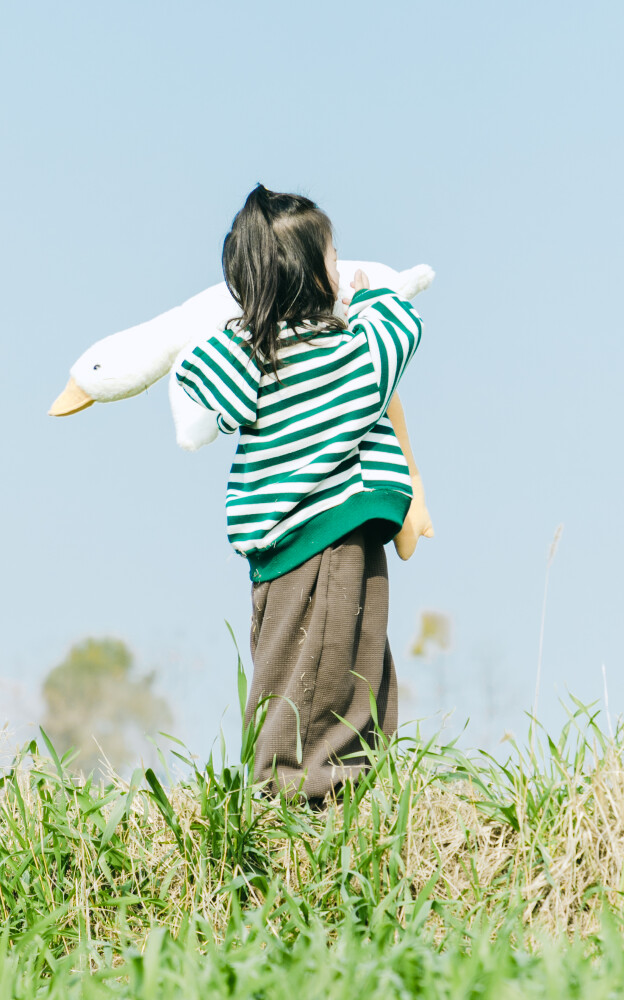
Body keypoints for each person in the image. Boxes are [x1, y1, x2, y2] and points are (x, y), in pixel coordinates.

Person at [174, 184, 431, 803]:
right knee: (338, 676)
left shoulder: (253, 355)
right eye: (336, 258)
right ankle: (312, 806)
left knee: (294, 675)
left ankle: (299, 798)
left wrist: (243, 322)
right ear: (316, 274)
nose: (343, 268)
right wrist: (368, 290)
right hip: (337, 542)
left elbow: (196, 374)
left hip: (287, 552)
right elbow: (401, 327)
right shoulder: (348, 352)